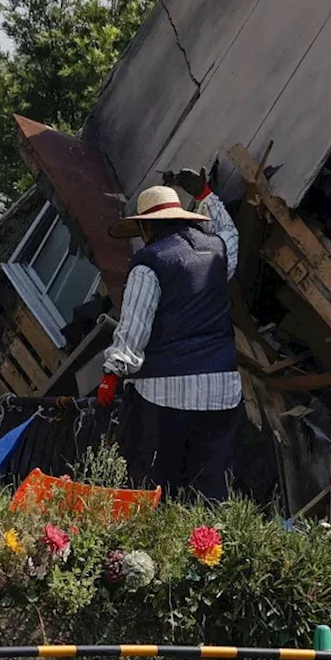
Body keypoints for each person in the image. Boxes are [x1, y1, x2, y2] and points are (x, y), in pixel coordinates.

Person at [98, 164, 241, 503]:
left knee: (153, 486)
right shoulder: (217, 253)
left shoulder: (150, 263)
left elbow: (134, 329)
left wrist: (111, 374)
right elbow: (231, 234)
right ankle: (207, 547)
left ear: (146, 227)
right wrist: (206, 196)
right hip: (223, 389)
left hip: (163, 394)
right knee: (208, 491)